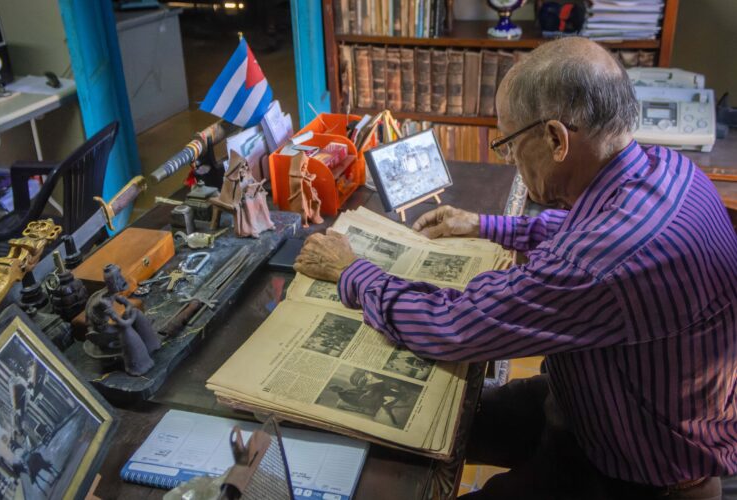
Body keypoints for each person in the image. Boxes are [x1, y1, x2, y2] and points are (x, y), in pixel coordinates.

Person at [294, 37, 736, 499]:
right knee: (428, 424)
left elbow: (451, 325)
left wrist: (351, 270)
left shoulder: (597, 264)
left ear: (555, 139)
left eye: (509, 144)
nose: (510, 161)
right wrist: (487, 224)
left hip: (637, 473)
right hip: (603, 402)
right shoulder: (667, 169)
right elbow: (588, 227)